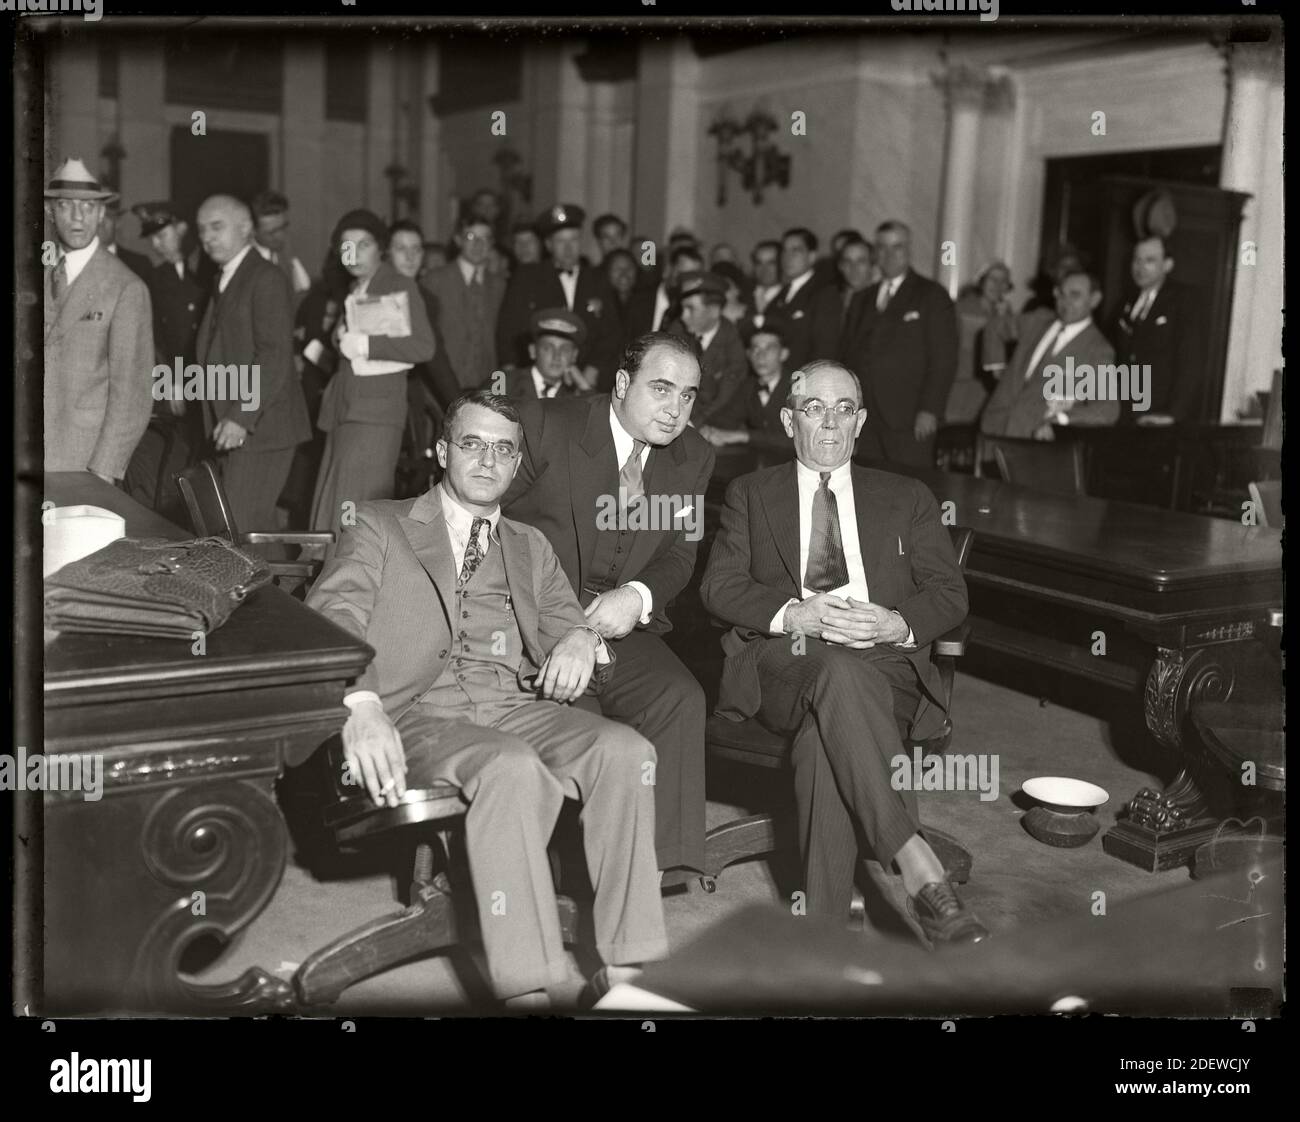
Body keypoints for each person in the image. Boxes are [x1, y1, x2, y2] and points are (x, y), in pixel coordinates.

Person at [306, 389, 666, 1009]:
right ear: (443, 451)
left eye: (504, 449)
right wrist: (361, 708)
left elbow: (564, 624)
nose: (487, 460)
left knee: (627, 752)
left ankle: (627, 972)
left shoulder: (529, 546)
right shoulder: (379, 524)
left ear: (517, 462)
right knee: (510, 767)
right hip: (416, 713)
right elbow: (330, 617)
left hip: (513, 707)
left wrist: (581, 638)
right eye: (472, 443)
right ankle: (525, 987)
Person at [700, 360, 986, 943]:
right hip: (788, 657)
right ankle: (915, 861)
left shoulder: (907, 496)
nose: (829, 422)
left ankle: (819, 946)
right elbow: (718, 587)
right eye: (813, 408)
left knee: (826, 738)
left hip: (884, 666)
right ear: (788, 420)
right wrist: (794, 614)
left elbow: (949, 592)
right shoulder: (751, 493)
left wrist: (894, 623)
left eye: (843, 409)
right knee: (833, 669)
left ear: (859, 422)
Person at [503, 333, 715, 877]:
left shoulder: (693, 457)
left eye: (688, 396)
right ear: (622, 384)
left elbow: (681, 554)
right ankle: (566, 873)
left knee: (679, 698)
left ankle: (653, 873)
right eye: (661, 389)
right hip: (529, 614)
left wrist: (637, 595)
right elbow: (481, 522)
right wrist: (559, 623)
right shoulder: (548, 425)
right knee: (584, 717)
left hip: (619, 626)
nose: (675, 411)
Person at [309, 208, 435, 547]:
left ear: (380, 248)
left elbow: (423, 347)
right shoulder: (357, 286)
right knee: (336, 501)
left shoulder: (398, 283)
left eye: (362, 245)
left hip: (374, 415)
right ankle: (324, 581)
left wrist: (365, 343)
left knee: (355, 507)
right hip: (346, 410)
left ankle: (347, 587)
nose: (353, 254)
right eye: (346, 246)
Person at [195, 194, 310, 540]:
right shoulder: (227, 277)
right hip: (237, 426)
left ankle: (264, 594)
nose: (207, 237)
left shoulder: (266, 277)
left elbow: (275, 353)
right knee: (250, 529)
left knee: (239, 529)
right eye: (202, 230)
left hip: (260, 427)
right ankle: (285, 593)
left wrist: (241, 416)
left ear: (246, 228)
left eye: (217, 227)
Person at [43, 158, 154, 482]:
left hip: (83, 463)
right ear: (51, 212)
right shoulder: (35, 274)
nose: (78, 217)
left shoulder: (125, 287)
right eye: (66, 206)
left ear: (102, 214)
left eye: (88, 208)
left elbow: (132, 395)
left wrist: (102, 473)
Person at [841, 220, 958, 468]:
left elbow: (944, 359)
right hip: (867, 417)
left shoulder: (931, 295)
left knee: (909, 487)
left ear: (909, 250)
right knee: (869, 487)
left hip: (909, 417)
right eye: (882, 247)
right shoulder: (863, 298)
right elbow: (849, 355)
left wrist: (930, 410)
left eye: (897, 247)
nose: (889, 255)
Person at [123, 200, 209, 515]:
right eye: (153, 238)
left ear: (183, 229)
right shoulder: (155, 280)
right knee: (179, 457)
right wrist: (168, 378)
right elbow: (153, 337)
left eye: (164, 234)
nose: (158, 244)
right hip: (180, 383)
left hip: (217, 378)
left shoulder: (209, 271)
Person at [979, 269, 1118, 440]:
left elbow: (1108, 410)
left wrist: (1062, 419)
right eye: (1060, 294)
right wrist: (997, 367)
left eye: (1074, 295)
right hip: (994, 427)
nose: (1064, 301)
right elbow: (994, 327)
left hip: (1034, 441)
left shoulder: (1098, 350)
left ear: (1094, 300)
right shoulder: (1038, 320)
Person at [496, 204, 622, 391]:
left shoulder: (598, 280)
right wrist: (512, 378)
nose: (568, 248)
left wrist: (593, 369)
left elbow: (612, 332)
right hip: (538, 379)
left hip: (586, 380)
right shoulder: (527, 277)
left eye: (574, 240)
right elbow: (509, 330)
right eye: (561, 241)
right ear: (548, 245)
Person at [1112, 235, 1202, 424]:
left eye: (1150, 260)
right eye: (1137, 260)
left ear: (1167, 265)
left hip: (1159, 414)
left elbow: (1190, 362)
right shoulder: (1126, 302)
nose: (1140, 267)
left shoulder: (1182, 301)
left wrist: (1173, 414)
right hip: (1124, 411)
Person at [424, 215, 506, 393]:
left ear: (492, 243)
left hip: (487, 385)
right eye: (470, 237)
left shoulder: (499, 285)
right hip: (444, 384)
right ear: (458, 240)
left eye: (484, 238)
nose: (478, 244)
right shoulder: (435, 280)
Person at [697, 313, 795, 462]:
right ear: (748, 354)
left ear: (784, 354)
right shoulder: (749, 386)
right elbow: (725, 419)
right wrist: (708, 431)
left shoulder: (799, 386)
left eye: (769, 348)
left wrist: (744, 436)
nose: (760, 355)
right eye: (755, 348)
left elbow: (799, 439)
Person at [668, 270, 748, 427]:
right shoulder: (676, 331)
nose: (683, 316)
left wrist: (691, 423)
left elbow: (724, 399)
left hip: (717, 427)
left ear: (713, 311)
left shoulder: (733, 342)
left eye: (691, 309)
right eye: (683, 308)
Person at [764, 227, 840, 373]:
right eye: (784, 251)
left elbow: (825, 350)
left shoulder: (824, 293)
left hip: (804, 382)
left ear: (811, 256)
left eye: (796, 250)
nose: (787, 257)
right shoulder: (781, 295)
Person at [493, 308, 590, 401]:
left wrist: (584, 386)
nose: (556, 356)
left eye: (565, 350)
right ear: (533, 351)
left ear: (574, 355)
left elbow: (598, 414)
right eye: (548, 348)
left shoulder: (576, 397)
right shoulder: (503, 385)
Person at [250, 190, 313, 302]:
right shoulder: (246, 263)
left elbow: (303, 290)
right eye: (272, 232)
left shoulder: (285, 253)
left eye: (283, 227)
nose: (281, 236)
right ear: (252, 231)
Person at [97, 196, 153, 282]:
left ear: (118, 222)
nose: (100, 223)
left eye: (106, 216)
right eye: (96, 217)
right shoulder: (73, 262)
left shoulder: (140, 265)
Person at [750, 239, 783, 317]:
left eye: (771, 263)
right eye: (759, 263)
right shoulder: (743, 295)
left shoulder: (790, 297)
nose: (764, 269)